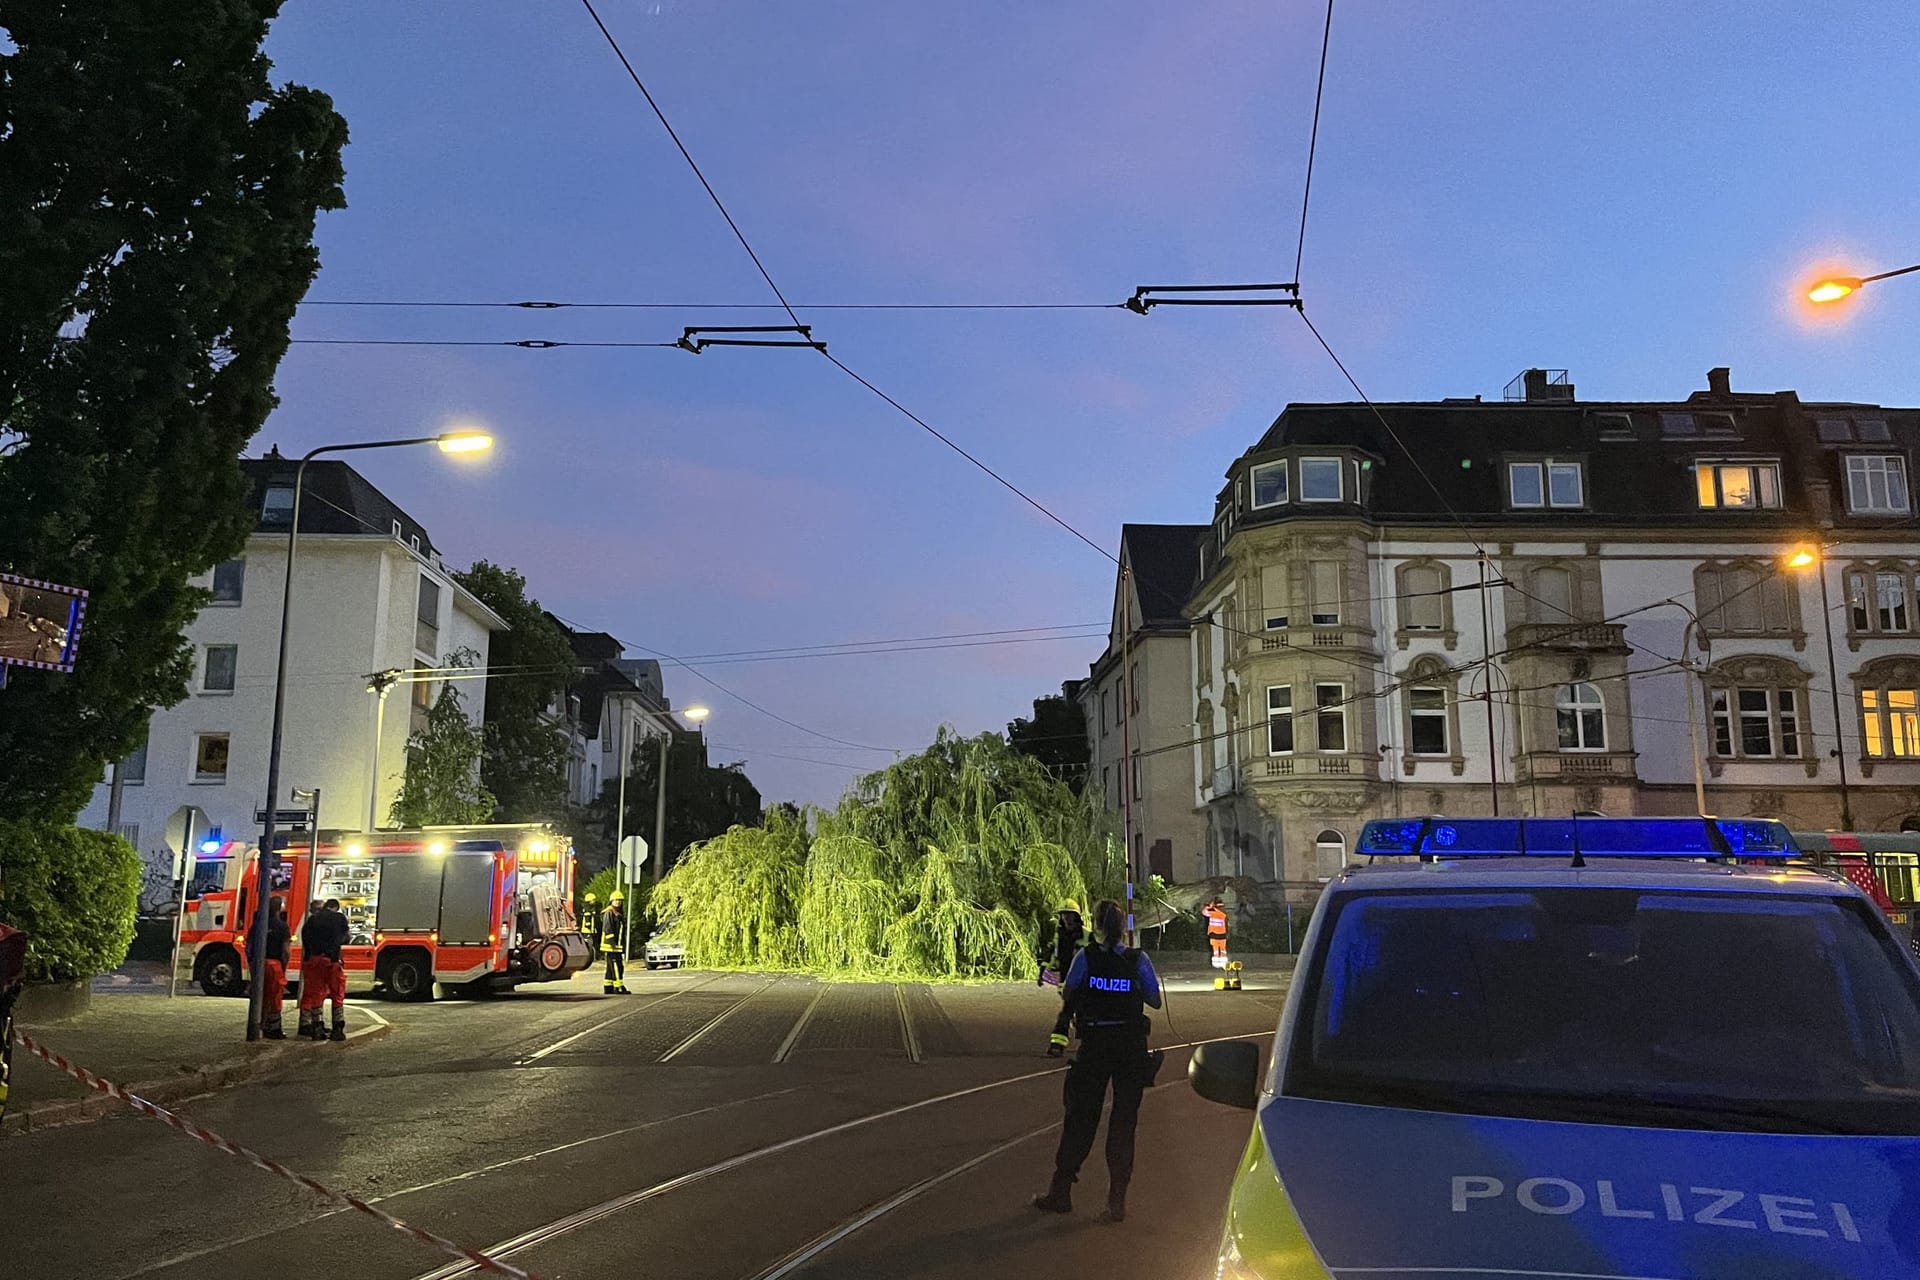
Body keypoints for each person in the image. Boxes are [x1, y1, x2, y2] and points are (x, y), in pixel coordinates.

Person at [1033, 898, 1161, 1224]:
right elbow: (1155, 1000)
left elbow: (1069, 992)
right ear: (1123, 929)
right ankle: (1116, 1201)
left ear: (1098, 926)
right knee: (1123, 1123)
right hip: (1131, 1050)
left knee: (1080, 1118)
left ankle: (1061, 1191)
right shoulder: (1138, 959)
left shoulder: (1085, 956)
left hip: (1095, 1047)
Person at [299, 897, 349, 1041]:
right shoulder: (339, 918)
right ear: (335, 908)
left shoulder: (312, 920)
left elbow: (306, 941)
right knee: (337, 993)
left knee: (316, 993)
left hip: (314, 960)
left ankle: (317, 1027)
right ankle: (337, 1028)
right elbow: (346, 937)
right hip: (331, 960)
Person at [1041, 900, 1086, 1056]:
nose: (1066, 918)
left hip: (1084, 982)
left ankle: (1058, 1044)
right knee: (1073, 1011)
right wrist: (1044, 971)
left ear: (1076, 917)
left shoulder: (1087, 936)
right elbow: (1054, 956)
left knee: (1070, 1012)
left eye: (1069, 915)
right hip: (1066, 981)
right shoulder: (1059, 937)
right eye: (1064, 915)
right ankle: (1064, 1042)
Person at [261, 898, 291, 1040]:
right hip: (274, 964)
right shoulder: (282, 926)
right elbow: (285, 950)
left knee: (261, 996)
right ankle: (274, 1028)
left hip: (260, 963)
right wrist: (284, 967)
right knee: (275, 997)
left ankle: (260, 1024)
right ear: (280, 908)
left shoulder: (258, 923)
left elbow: (250, 946)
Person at [600, 892, 628, 994]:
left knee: (610, 966)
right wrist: (612, 943)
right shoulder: (610, 913)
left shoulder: (618, 913)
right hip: (611, 945)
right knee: (617, 965)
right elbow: (607, 928)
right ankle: (618, 986)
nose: (618, 902)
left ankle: (608, 986)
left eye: (620, 900)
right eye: (616, 900)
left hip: (616, 945)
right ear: (611, 901)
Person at [1204, 898, 1229, 970]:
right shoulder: (1223, 912)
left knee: (1216, 950)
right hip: (1222, 934)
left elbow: (1204, 912)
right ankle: (1223, 964)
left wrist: (1209, 906)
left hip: (1214, 934)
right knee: (1222, 950)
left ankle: (1217, 964)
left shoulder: (1214, 911)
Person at [580, 891, 600, 963]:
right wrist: (590, 929)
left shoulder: (589, 908)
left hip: (589, 930)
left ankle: (591, 957)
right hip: (587, 931)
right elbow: (588, 921)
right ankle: (590, 958)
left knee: (590, 944)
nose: (594, 901)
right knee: (590, 944)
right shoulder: (588, 909)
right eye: (593, 900)